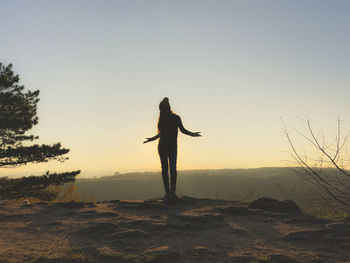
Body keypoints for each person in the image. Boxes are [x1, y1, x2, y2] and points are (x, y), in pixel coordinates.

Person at [143, 97, 201, 201]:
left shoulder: (172, 118)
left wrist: (192, 134)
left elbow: (181, 130)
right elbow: (164, 133)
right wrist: (152, 139)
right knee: (169, 170)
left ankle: (170, 193)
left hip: (167, 147)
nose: (161, 112)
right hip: (166, 147)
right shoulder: (169, 119)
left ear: (164, 109)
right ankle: (170, 193)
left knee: (169, 170)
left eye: (161, 110)